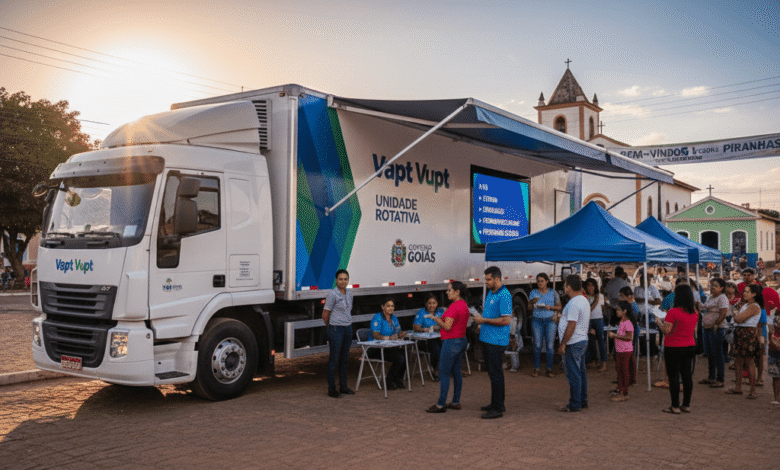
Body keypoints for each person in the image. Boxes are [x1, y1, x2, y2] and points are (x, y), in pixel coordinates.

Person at [472, 266, 512, 419]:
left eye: (489, 279)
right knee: (493, 373)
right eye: (485, 279)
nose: (486, 282)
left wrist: (484, 320)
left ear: (497, 279)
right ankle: (496, 403)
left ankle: (497, 408)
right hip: (488, 338)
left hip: (497, 340)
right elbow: (491, 314)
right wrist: (481, 323)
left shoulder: (505, 295)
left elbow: (506, 320)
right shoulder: (491, 292)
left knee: (496, 374)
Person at [425, 281, 470, 413]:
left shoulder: (454, 306)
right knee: (456, 372)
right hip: (461, 339)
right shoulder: (463, 305)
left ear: (457, 292)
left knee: (444, 372)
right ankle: (456, 401)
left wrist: (435, 319)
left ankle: (441, 404)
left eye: (449, 290)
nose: (447, 292)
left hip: (451, 341)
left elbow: (447, 326)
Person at [656, 283, 698, 414]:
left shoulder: (673, 312)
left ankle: (674, 405)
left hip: (673, 346)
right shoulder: (695, 312)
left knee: (673, 376)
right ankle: (686, 404)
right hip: (689, 345)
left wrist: (659, 323)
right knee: (686, 376)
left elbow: (666, 331)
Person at [555, 274, 591, 412]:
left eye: (565, 285)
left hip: (574, 341)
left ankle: (575, 403)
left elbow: (572, 325)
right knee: (580, 372)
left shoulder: (575, 302)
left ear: (569, 287)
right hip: (581, 340)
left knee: (574, 373)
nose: (564, 288)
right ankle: (582, 400)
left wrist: (563, 343)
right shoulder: (583, 300)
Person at [726, 283, 763, 399]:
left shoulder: (754, 306)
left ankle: (752, 390)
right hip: (742, 332)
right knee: (738, 361)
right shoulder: (747, 305)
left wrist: (736, 313)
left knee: (749, 362)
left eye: (747, 292)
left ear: (754, 294)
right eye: (744, 291)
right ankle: (738, 387)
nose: (744, 293)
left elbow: (739, 319)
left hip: (747, 333)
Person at [322, 269, 355, 398]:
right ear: (336, 280)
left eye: (345, 279)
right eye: (340, 279)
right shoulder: (332, 295)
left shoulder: (350, 294)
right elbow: (325, 314)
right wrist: (331, 327)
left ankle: (344, 387)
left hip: (348, 328)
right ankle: (331, 389)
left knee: (345, 359)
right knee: (334, 360)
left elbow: (349, 309)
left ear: (348, 280)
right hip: (336, 329)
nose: (343, 281)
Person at [369, 297, 408, 390]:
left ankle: (398, 379)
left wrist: (401, 334)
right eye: (388, 306)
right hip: (375, 348)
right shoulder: (377, 317)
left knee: (405, 354)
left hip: (388, 347)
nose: (391, 308)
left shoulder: (394, 318)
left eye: (392, 306)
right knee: (399, 358)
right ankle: (389, 381)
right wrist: (388, 338)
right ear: (382, 307)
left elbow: (398, 331)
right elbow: (375, 335)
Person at [528, 273, 562, 377]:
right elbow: (529, 308)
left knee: (550, 345)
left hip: (550, 320)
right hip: (537, 320)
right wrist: (532, 302)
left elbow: (560, 307)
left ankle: (549, 369)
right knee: (537, 345)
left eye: (542, 281)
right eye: (538, 281)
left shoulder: (553, 292)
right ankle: (536, 368)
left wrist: (551, 307)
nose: (540, 283)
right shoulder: (533, 292)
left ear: (547, 281)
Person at [700, 277, 729, 388]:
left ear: (721, 288)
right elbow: (705, 307)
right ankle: (711, 377)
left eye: (715, 285)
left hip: (717, 328)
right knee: (710, 353)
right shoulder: (711, 297)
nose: (713, 287)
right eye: (712, 285)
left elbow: (724, 313)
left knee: (717, 353)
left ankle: (720, 379)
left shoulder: (722, 298)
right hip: (708, 328)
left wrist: (716, 324)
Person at [608, 301, 635, 402]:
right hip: (620, 350)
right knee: (619, 370)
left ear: (624, 311)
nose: (617, 311)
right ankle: (620, 389)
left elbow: (629, 337)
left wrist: (615, 336)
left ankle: (625, 392)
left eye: (619, 309)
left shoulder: (627, 323)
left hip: (625, 350)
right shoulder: (622, 322)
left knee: (624, 370)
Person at [413, 293, 444, 381]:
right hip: (424, 341)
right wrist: (425, 329)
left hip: (438, 338)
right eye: (429, 303)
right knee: (436, 347)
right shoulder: (422, 312)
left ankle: (444, 369)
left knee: (446, 345)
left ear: (437, 303)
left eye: (434, 303)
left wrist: (437, 327)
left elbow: (446, 325)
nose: (431, 305)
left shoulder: (440, 312)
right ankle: (436, 370)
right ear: (426, 304)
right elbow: (416, 327)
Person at [583, 278, 607, 372]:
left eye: (592, 285)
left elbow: (603, 308)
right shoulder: (584, 296)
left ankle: (603, 362)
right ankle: (592, 360)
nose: (590, 287)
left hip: (598, 319)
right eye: (588, 285)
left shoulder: (599, 296)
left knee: (601, 341)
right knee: (589, 341)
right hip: (588, 320)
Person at [619, 286, 641, 353]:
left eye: (622, 296)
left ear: (628, 296)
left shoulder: (632, 306)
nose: (621, 298)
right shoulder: (631, 304)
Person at [768, 314, 780, 406]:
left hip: (774, 349)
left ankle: (777, 398)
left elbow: (771, 332)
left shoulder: (775, 318)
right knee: (775, 376)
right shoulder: (775, 318)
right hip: (774, 350)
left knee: (776, 376)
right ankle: (776, 398)